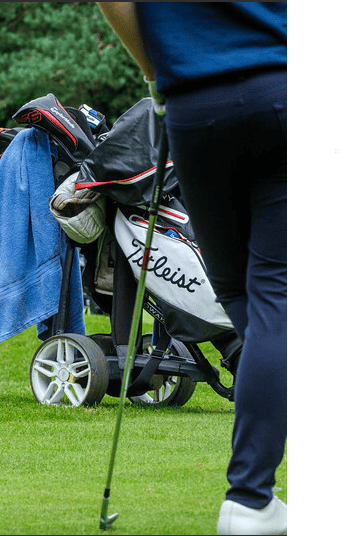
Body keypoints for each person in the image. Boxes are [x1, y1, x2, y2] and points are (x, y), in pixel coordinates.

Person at [96, 3, 287, 535]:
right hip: (288, 84)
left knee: (244, 294)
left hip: (193, 107)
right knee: (280, 297)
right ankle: (250, 500)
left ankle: (254, 501)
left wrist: (156, 73)